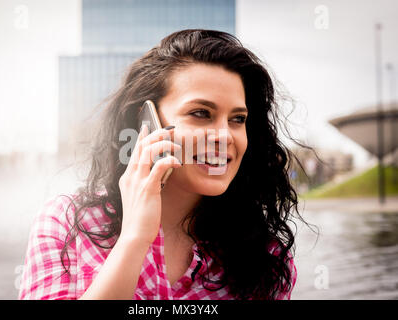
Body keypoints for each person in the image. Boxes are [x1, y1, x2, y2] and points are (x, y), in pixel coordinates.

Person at [18, 29, 302, 300]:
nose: (225, 135)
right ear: (146, 121)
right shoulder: (66, 222)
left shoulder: (267, 256)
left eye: (237, 119)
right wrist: (134, 238)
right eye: (201, 113)